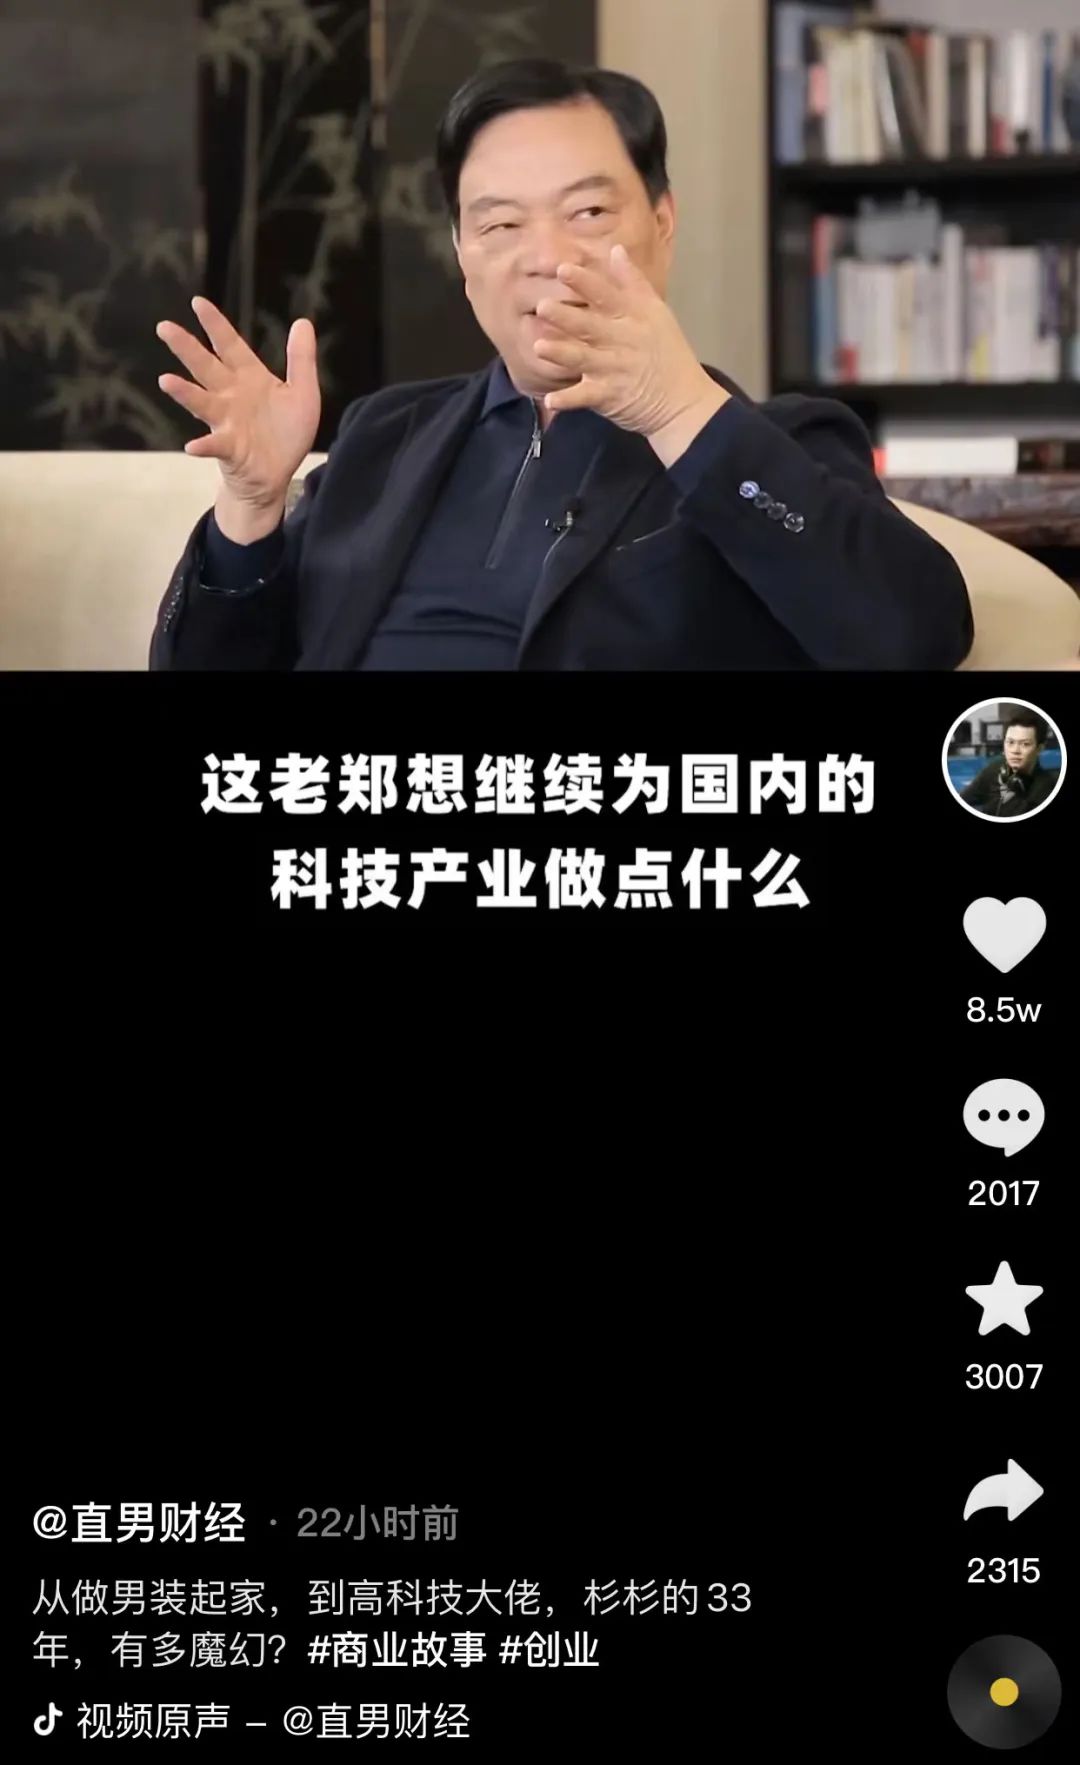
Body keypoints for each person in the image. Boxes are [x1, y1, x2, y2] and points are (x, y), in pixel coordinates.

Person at [149, 58, 973, 672]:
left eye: (587, 211)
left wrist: (678, 412)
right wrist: (250, 508)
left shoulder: (773, 443)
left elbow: (912, 636)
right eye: (501, 225)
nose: (546, 256)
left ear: (662, 221)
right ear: (461, 253)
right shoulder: (384, 436)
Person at [959, 711, 1059, 818]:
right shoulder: (994, 769)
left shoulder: (1047, 789)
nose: (1015, 750)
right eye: (1010, 742)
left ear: (1039, 748)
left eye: (1025, 744)